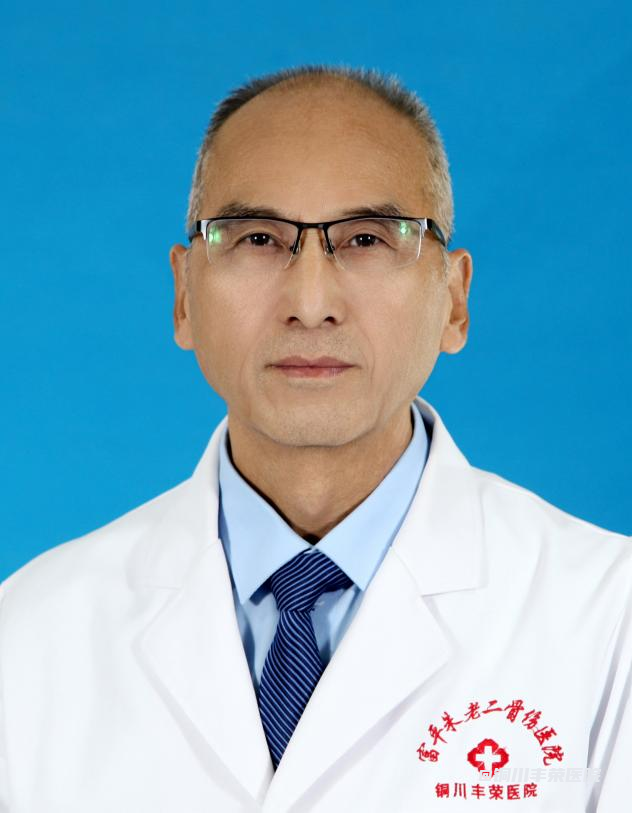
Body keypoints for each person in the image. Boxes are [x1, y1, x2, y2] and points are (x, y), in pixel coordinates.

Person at [0, 65, 629, 813]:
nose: (310, 302)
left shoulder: (607, 620)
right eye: (257, 238)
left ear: (454, 301)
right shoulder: (30, 633)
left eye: (366, 238)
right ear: (184, 295)